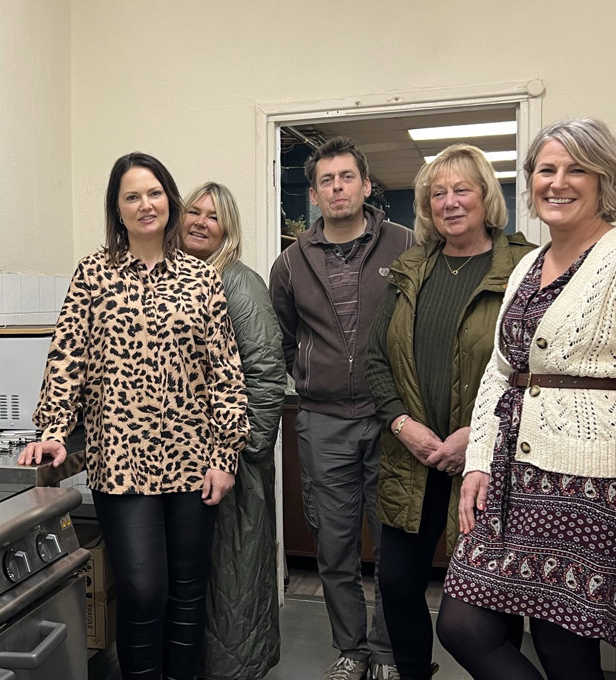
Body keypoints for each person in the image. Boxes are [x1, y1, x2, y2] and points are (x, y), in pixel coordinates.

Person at [436, 118, 616, 680]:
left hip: (593, 487)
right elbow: (500, 372)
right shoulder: (526, 265)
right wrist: (477, 462)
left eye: (575, 169)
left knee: (564, 648)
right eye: (546, 169)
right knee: (462, 627)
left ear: (604, 179)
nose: (557, 182)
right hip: (513, 480)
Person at [20, 153, 249, 680]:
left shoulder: (202, 278)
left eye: (154, 193)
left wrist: (225, 456)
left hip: (195, 460)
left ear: (169, 200)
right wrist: (53, 430)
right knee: (145, 592)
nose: (145, 205)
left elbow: (226, 375)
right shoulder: (93, 274)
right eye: (132, 196)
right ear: (117, 210)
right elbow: (67, 357)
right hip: (121, 462)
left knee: (189, 594)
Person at [363, 144, 536, 680]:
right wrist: (403, 425)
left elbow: (533, 370)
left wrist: (477, 435)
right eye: (437, 193)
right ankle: (414, 672)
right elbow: (375, 358)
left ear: (487, 197)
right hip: (411, 457)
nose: (450, 202)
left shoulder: (525, 268)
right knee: (395, 583)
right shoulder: (410, 270)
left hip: (486, 462)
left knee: (490, 596)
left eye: (462, 190)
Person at [269, 136, 414, 680]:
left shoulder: (404, 245)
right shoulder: (290, 263)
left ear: (366, 185)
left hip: (391, 420)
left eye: (347, 177)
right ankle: (351, 649)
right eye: (327, 181)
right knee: (335, 547)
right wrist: (309, 374)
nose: (337, 188)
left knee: (394, 545)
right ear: (314, 193)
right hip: (323, 420)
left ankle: (387, 650)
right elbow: (283, 336)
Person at [179, 182, 287, 680]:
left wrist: (244, 455)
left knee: (234, 583)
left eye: (213, 216)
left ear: (228, 229)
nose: (200, 222)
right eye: (193, 212)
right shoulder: (173, 278)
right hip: (185, 463)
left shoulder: (239, 284)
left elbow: (266, 374)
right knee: (197, 582)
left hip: (232, 463)